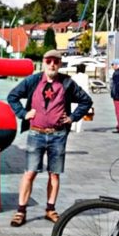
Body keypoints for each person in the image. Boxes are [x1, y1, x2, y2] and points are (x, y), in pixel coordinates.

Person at [7, 49, 92, 227]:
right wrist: (23, 113)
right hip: (36, 133)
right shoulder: (33, 81)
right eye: (49, 60)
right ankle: (20, 211)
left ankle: (50, 209)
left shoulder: (67, 83)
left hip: (58, 135)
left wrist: (72, 118)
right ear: (44, 62)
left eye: (56, 61)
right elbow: (12, 96)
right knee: (29, 173)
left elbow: (86, 101)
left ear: (60, 64)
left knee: (54, 173)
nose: (52, 64)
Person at [70, 63, 90, 133]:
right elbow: (87, 87)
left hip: (74, 96)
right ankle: (78, 129)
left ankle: (72, 126)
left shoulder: (73, 76)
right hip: (83, 96)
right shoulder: (86, 76)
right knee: (80, 112)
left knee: (73, 111)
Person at [111, 58, 119, 133]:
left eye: (112, 64)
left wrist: (115, 95)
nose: (112, 66)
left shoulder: (116, 73)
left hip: (117, 96)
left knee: (118, 111)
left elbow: (116, 86)